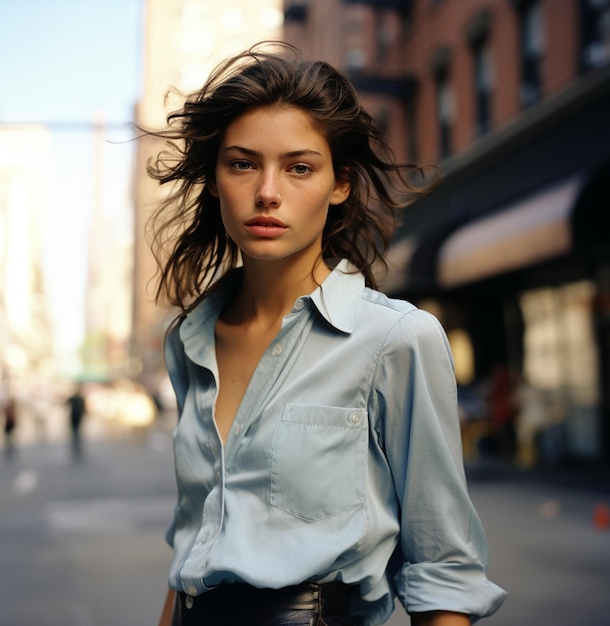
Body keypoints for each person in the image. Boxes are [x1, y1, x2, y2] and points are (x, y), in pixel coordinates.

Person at [145, 42, 506, 626]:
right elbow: (192, 543)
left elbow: (444, 572)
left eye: (299, 167)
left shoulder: (396, 339)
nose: (267, 191)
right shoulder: (190, 340)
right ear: (214, 181)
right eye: (242, 163)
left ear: (339, 184)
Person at [66, 384, 86, 460]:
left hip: (77, 418)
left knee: (76, 433)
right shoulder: (77, 398)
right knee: (76, 433)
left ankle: (77, 447)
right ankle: (76, 447)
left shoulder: (79, 398)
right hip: (75, 418)